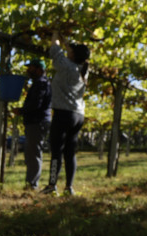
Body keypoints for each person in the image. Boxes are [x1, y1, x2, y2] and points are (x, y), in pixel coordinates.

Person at [40, 32, 90, 196]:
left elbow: (54, 48)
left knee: (56, 151)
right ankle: (69, 187)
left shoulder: (65, 65)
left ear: (73, 54)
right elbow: (69, 51)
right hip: (78, 115)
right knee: (70, 152)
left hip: (63, 114)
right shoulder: (83, 69)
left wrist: (54, 33)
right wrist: (66, 41)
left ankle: (52, 185)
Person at [12, 58, 52, 191]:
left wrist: (21, 111)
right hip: (35, 122)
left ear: (40, 70)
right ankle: (31, 183)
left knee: (33, 153)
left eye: (31, 68)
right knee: (31, 153)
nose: (28, 70)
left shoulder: (41, 83)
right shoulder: (40, 83)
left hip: (37, 122)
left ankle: (32, 185)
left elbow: (36, 104)